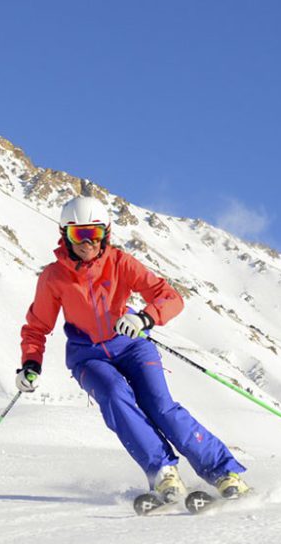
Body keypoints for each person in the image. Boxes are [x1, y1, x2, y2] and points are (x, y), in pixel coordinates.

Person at [16, 195, 249, 500]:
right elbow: (37, 327)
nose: (86, 243)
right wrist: (30, 364)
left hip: (131, 346)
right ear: (65, 236)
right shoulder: (53, 277)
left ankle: (224, 471)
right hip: (87, 356)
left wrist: (144, 318)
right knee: (115, 395)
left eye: (93, 234)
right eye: (77, 234)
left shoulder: (120, 263)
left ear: (105, 235)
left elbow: (170, 297)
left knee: (159, 406)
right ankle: (163, 473)